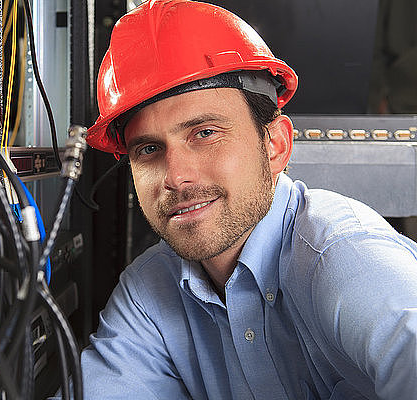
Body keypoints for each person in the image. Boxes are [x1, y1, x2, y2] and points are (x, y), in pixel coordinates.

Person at [81, 1, 417, 399]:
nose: (175, 176)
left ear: (275, 145)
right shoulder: (149, 291)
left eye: (205, 133)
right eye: (149, 150)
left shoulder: (345, 259)